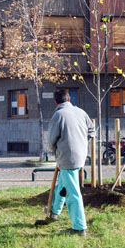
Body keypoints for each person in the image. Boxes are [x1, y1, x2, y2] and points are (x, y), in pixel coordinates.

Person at [47, 89, 95, 236]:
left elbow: (50, 141)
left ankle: (79, 228)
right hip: (80, 157)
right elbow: (92, 132)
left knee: (72, 193)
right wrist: (80, 143)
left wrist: (56, 150)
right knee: (63, 183)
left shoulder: (58, 114)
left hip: (67, 158)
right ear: (69, 99)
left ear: (56, 102)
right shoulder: (81, 112)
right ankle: (54, 212)